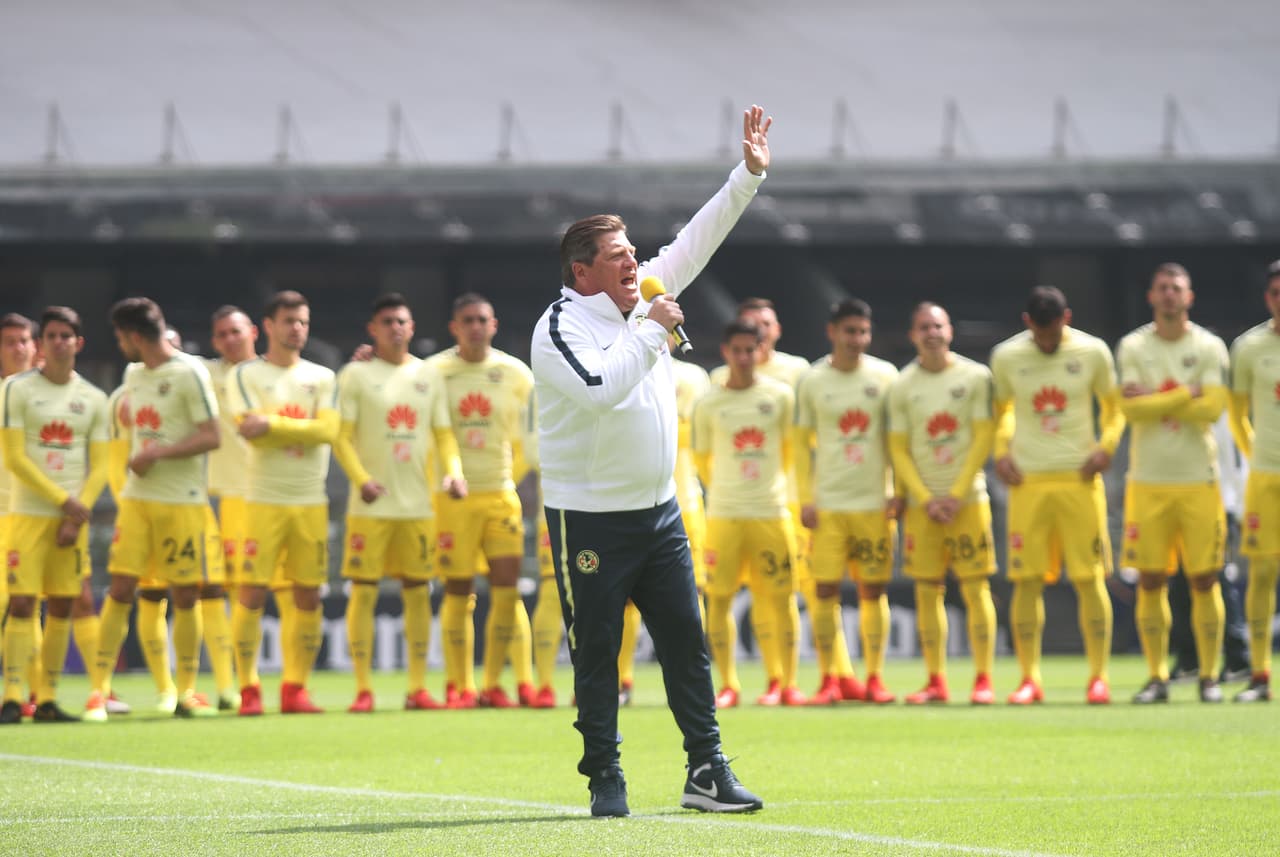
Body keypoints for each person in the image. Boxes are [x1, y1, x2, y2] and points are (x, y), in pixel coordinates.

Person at [529, 104, 771, 817]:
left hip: (659, 510)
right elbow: (601, 389)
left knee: (687, 645)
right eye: (620, 256)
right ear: (582, 271)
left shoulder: (644, 295)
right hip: (590, 518)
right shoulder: (558, 327)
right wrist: (655, 331)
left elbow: (700, 238)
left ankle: (707, 770)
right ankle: (606, 775)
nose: (637, 261)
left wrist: (748, 176)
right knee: (598, 652)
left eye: (635, 252)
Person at [713, 299, 863, 701]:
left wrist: (803, 494)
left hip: (791, 503)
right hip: (743, 505)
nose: (758, 332)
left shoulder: (797, 373)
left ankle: (835, 672)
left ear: (774, 330)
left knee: (812, 588)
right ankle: (780, 678)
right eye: (752, 323)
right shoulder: (720, 383)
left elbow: (803, 443)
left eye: (766, 322)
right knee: (763, 593)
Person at [990, 287, 1124, 705]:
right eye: (1041, 335)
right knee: (1026, 582)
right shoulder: (1007, 356)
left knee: (1089, 578)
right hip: (1028, 484)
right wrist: (1000, 450)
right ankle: (1029, 678)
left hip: (1079, 482)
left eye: (1054, 333)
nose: (1048, 343)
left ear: (1066, 318)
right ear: (1028, 323)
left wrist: (1107, 447)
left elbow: (1114, 407)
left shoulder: (1093, 351)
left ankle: (1098, 677)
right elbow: (1002, 411)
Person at [334, 293, 467, 712]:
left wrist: (454, 471)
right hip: (370, 506)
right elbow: (340, 436)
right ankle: (362, 689)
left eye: (402, 321)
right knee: (364, 593)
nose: (395, 327)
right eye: (387, 321)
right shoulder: (355, 375)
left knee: (416, 592)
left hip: (417, 507)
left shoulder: (429, 376)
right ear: (373, 329)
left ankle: (416, 688)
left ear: (411, 328)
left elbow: (444, 433)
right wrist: (361, 481)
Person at [90, 297, 221, 719]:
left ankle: (186, 692)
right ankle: (99, 690)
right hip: (136, 500)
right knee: (121, 589)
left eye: (119, 337)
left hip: (181, 501)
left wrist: (158, 454)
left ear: (132, 335)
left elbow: (212, 436)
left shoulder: (189, 372)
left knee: (184, 595)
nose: (119, 344)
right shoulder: (132, 375)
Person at [1117, 263, 1230, 704]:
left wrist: (1156, 399)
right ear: (1151, 296)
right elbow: (1130, 411)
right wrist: (1188, 393)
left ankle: (1208, 677)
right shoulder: (1132, 346)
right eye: (1162, 288)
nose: (1169, 295)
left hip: (1198, 479)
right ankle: (1157, 676)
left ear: (1190, 297)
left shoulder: (1208, 345)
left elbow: (1214, 409)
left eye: (1176, 288)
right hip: (1147, 481)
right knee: (1150, 580)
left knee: (1205, 580)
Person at [228, 290, 337, 715]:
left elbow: (327, 432)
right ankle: (248, 689)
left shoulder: (323, 377)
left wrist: (272, 424)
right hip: (263, 499)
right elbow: (246, 430)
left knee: (308, 596)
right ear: (268, 325)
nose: (297, 328)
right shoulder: (246, 375)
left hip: (311, 500)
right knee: (252, 593)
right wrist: (303, 426)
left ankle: (295, 688)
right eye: (289, 320)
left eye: (303, 321)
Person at [424, 294, 535, 709]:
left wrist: (512, 476)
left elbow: (532, 437)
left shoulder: (516, 373)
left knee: (507, 590)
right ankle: (460, 686)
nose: (475, 326)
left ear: (494, 325)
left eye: (481, 320)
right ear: (454, 327)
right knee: (458, 589)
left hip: (501, 495)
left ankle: (498, 684)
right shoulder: (433, 371)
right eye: (467, 320)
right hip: (452, 500)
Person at [0, 307, 109, 723]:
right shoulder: (17, 390)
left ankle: (46, 698)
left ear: (78, 343)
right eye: (51, 335)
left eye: (66, 335)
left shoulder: (93, 398)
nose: (58, 342)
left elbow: (100, 465)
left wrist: (75, 513)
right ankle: (12, 696)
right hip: (27, 513)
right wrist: (65, 502)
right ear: (41, 344)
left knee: (63, 604)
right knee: (23, 603)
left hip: (71, 520)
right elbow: (15, 458)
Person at [888, 302, 998, 705]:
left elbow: (984, 437)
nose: (932, 332)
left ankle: (984, 679)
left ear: (950, 330)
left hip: (968, 501)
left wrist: (954, 495)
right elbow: (898, 449)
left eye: (938, 325)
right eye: (923, 327)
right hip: (923, 508)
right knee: (926, 590)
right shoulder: (902, 384)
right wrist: (924, 498)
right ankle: (936, 680)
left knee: (975, 587)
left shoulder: (975, 376)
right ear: (912, 335)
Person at [794, 298, 901, 705]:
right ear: (832, 332)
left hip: (874, 503)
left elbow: (896, 441)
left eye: (863, 332)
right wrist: (805, 498)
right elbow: (802, 447)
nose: (857, 339)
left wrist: (898, 491)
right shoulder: (813, 380)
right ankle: (829, 680)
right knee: (824, 592)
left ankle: (874, 678)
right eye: (849, 331)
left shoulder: (885, 376)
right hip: (829, 505)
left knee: (874, 591)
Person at [695, 320, 802, 708]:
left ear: (761, 351)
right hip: (724, 514)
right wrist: (729, 488)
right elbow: (702, 460)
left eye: (750, 350)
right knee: (719, 598)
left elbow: (792, 453)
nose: (743, 358)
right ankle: (728, 685)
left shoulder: (780, 397)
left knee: (779, 598)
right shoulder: (708, 402)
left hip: (771, 512)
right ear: (725, 352)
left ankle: (784, 682)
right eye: (736, 350)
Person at [1226, 260, 1280, 702]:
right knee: (1261, 573)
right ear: (1268, 298)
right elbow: (1236, 414)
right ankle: (1261, 675)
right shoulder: (1248, 347)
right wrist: (1255, 454)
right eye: (1276, 292)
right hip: (1266, 478)